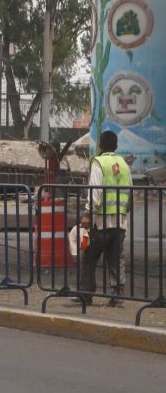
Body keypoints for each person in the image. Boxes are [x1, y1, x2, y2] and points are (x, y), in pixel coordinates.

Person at [79, 129, 132, 307]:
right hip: (120, 223)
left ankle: (86, 294)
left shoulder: (99, 162)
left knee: (89, 256)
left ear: (100, 145)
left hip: (100, 222)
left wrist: (87, 214)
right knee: (116, 258)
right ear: (116, 146)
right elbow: (130, 193)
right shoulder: (124, 164)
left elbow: (95, 192)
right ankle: (118, 294)